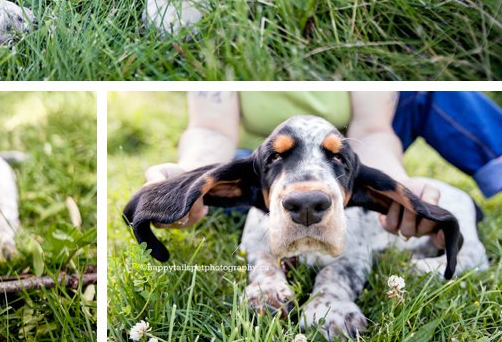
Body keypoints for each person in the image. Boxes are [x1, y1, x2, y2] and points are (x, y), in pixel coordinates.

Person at [145, 91, 502, 241]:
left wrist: (399, 187)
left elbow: (372, 131)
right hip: (269, 161)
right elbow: (211, 128)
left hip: (350, 149)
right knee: (234, 203)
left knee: (435, 89)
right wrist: (188, 181)